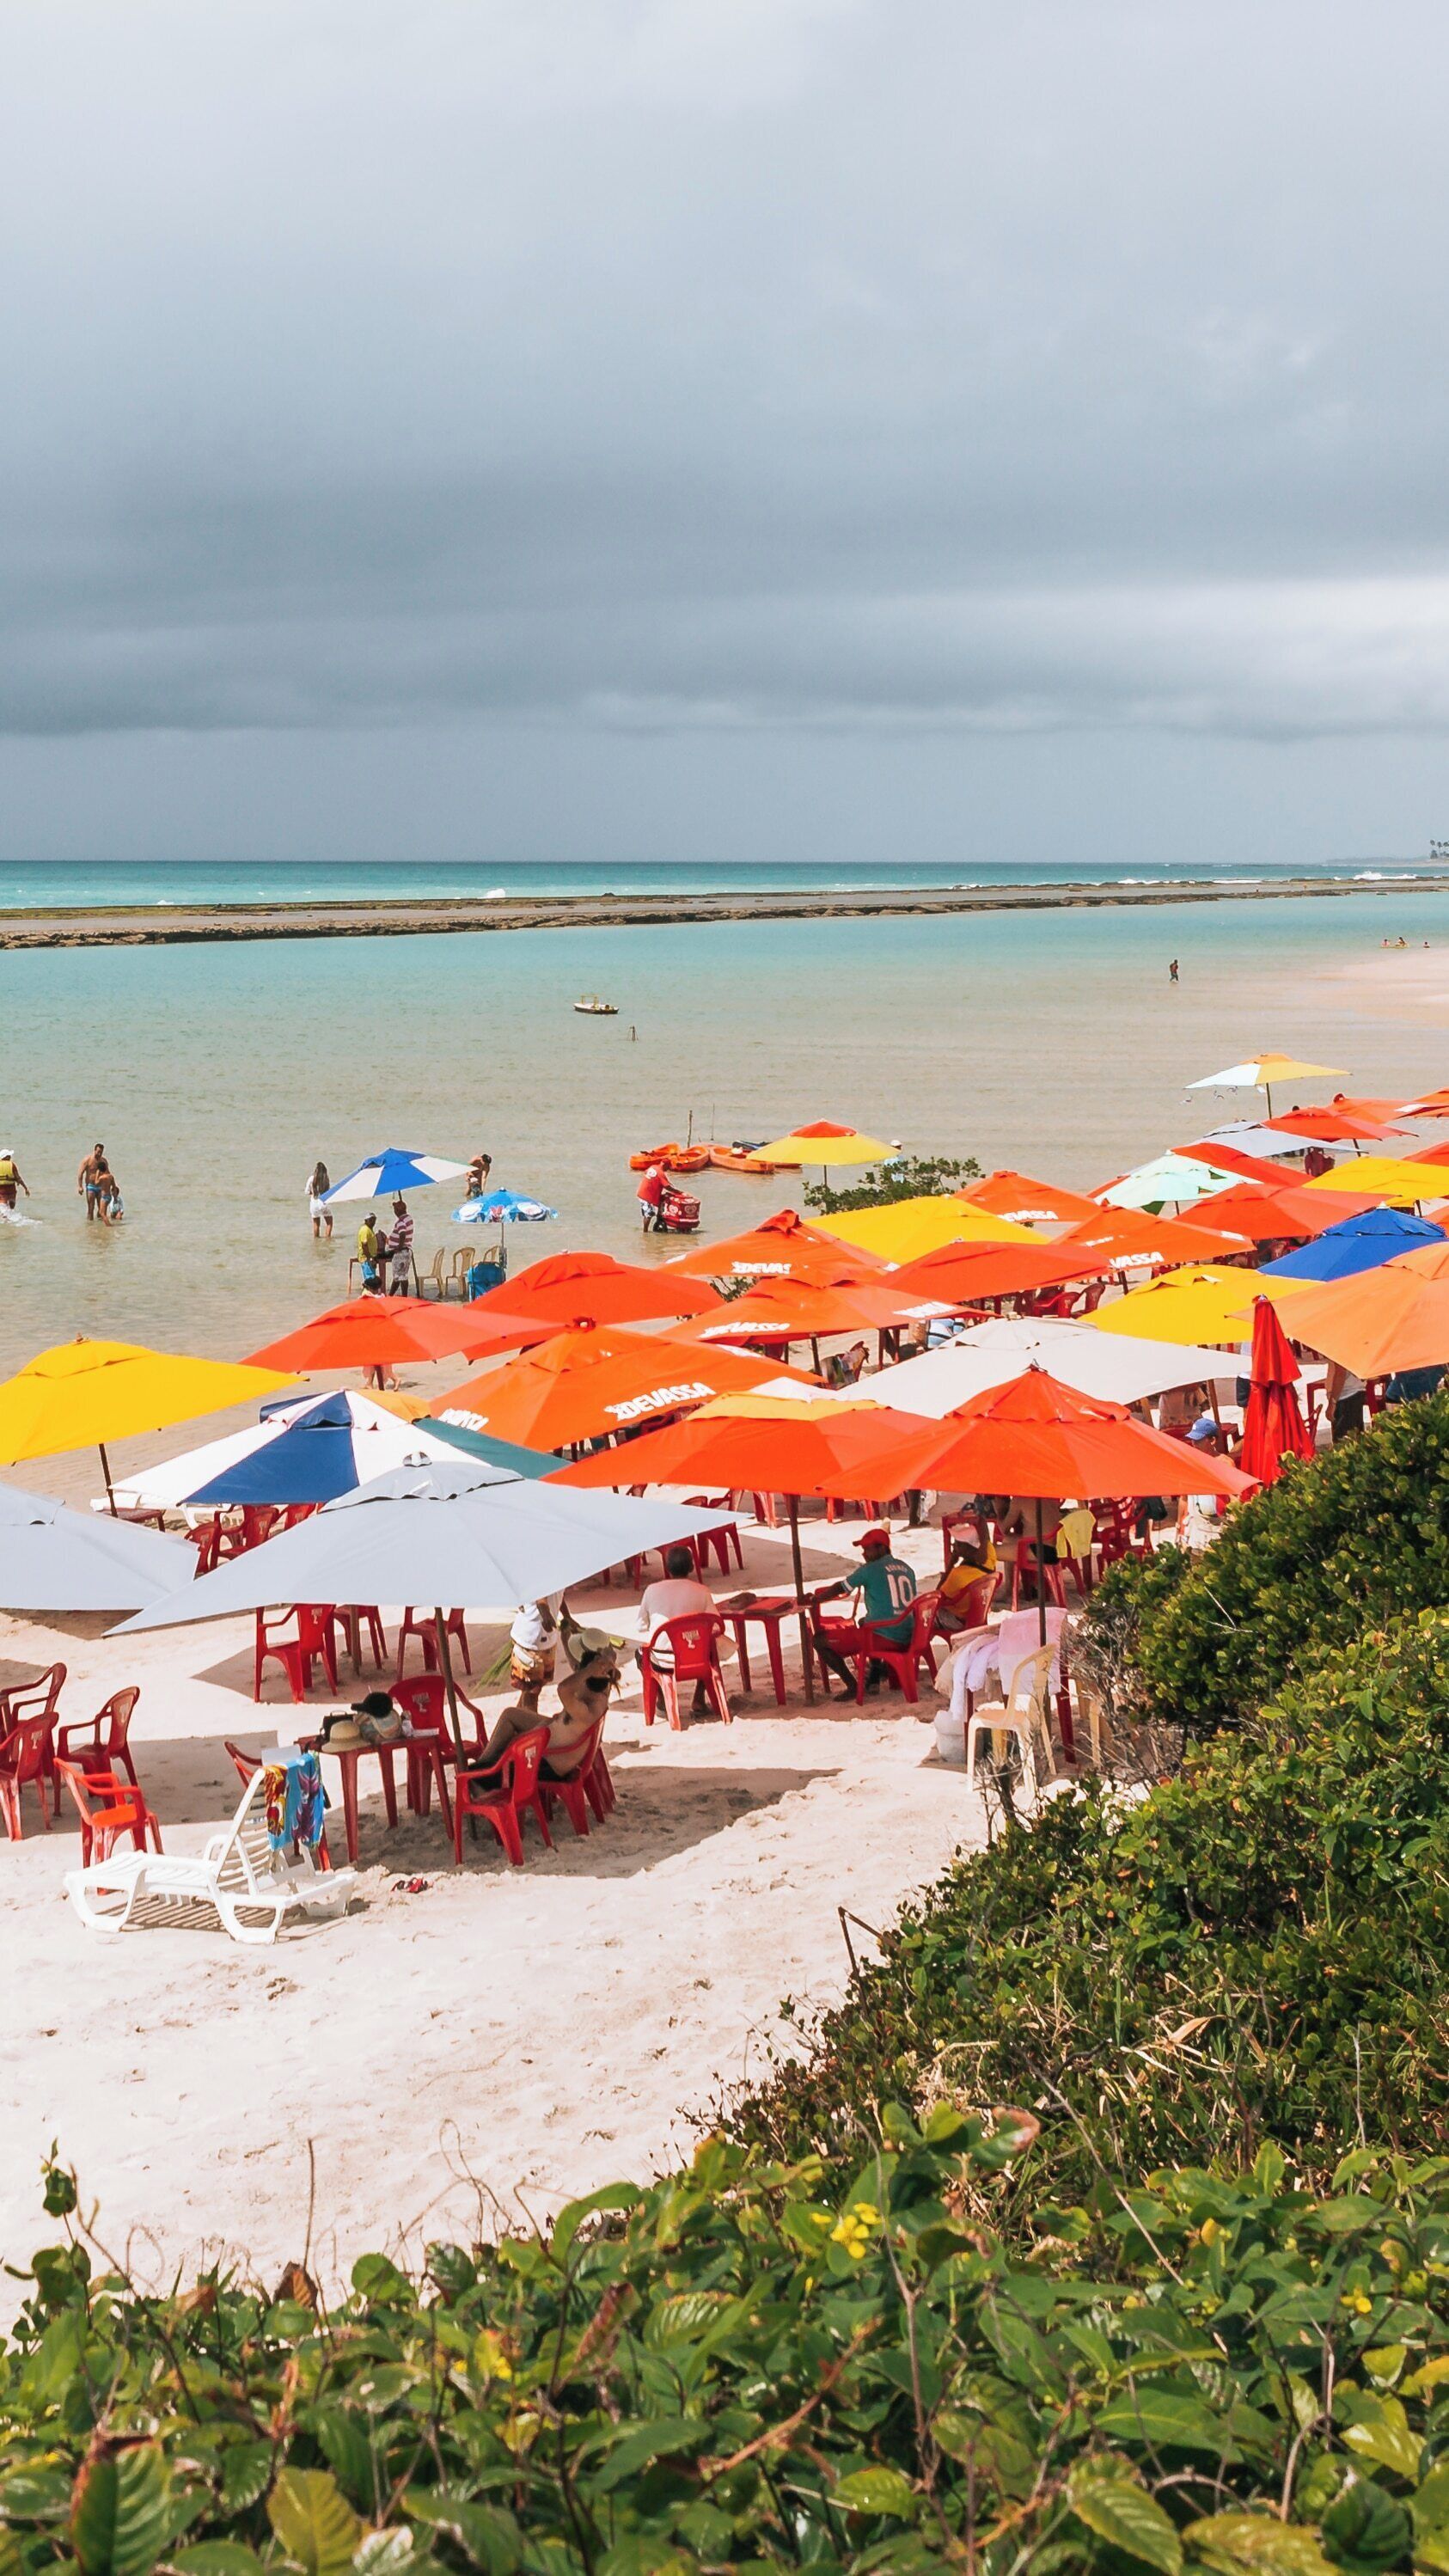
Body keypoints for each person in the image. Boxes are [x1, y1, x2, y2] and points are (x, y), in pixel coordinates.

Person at [469, 1624, 619, 1786]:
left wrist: (590, 1669)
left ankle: (483, 1771)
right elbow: (576, 1671)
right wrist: (568, 1642)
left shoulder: (583, 1707)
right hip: (554, 1738)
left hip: (550, 1760)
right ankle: (485, 1762)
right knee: (510, 1715)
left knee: (477, 1779)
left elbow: (563, 1688)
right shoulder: (602, 1687)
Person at [813, 1527, 918, 1699]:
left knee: (819, 1640)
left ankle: (852, 1685)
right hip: (909, 1634)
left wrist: (817, 1599)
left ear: (882, 1549)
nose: (864, 1554)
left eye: (868, 1549)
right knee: (864, 1622)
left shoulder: (869, 1570)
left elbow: (842, 1587)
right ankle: (875, 1675)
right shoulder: (907, 1568)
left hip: (885, 1637)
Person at [636, 1545, 720, 1715]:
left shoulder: (652, 1590)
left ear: (667, 1568)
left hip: (662, 1659)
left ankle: (661, 1698)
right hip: (697, 1658)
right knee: (710, 1649)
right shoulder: (702, 1591)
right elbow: (716, 1625)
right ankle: (698, 1698)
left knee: (640, 1654)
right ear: (691, 1567)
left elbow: (641, 1626)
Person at [509, 1594, 560, 1713]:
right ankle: (528, 1727)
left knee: (533, 1689)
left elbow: (558, 1595)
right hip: (531, 1640)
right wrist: (545, 1613)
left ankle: (515, 1721)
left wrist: (567, 1617)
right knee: (531, 1695)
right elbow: (541, 1597)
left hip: (547, 1640)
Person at [386, 1194, 414, 1294]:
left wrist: (399, 1246)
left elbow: (402, 1233)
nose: (394, 1212)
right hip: (406, 1250)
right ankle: (402, 1296)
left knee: (398, 1277)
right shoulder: (408, 1218)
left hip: (401, 1252)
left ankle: (391, 1296)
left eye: (395, 1210)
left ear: (399, 1211)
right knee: (402, 1276)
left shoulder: (401, 1222)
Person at [356, 1212, 384, 1292]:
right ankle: (368, 1295)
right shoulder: (365, 1229)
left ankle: (370, 1293)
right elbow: (364, 1245)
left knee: (371, 1279)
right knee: (370, 1280)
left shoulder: (369, 1229)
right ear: (366, 1220)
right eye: (371, 1220)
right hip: (366, 1259)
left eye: (374, 1220)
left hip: (370, 1257)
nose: (373, 1222)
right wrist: (370, 1259)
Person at [77, 1142, 106, 1220]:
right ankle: (90, 1228)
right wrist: (80, 1186)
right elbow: (80, 1173)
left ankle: (100, 1229)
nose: (99, 1154)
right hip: (91, 1186)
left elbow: (107, 1174)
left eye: (101, 1152)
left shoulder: (103, 1161)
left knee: (102, 1209)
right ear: (94, 1150)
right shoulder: (87, 1160)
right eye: (98, 1152)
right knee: (91, 1208)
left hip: (100, 1186)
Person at [637, 1163, 666, 1232]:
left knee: (648, 1213)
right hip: (646, 1196)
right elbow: (667, 1186)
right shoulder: (660, 1173)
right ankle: (645, 1232)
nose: (669, 1168)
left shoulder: (653, 1167)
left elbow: (646, 1172)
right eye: (669, 1166)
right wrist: (677, 1192)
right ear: (665, 1165)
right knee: (649, 1214)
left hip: (643, 1193)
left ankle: (646, 1230)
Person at [308, 1161, 333, 1239]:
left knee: (316, 1224)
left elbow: (307, 1191)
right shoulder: (326, 1179)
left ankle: (316, 1240)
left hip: (314, 1203)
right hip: (324, 1203)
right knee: (329, 1223)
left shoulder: (312, 1179)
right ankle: (328, 1239)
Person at [0, 1147, 30, 1213]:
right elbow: (18, 1178)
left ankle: (5, 1216)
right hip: (11, 1188)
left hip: (1, 1189)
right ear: (6, 1157)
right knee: (12, 1204)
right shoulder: (12, 1165)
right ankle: (11, 1213)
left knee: (3, 1203)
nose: (10, 1157)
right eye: (9, 1156)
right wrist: (25, 1188)